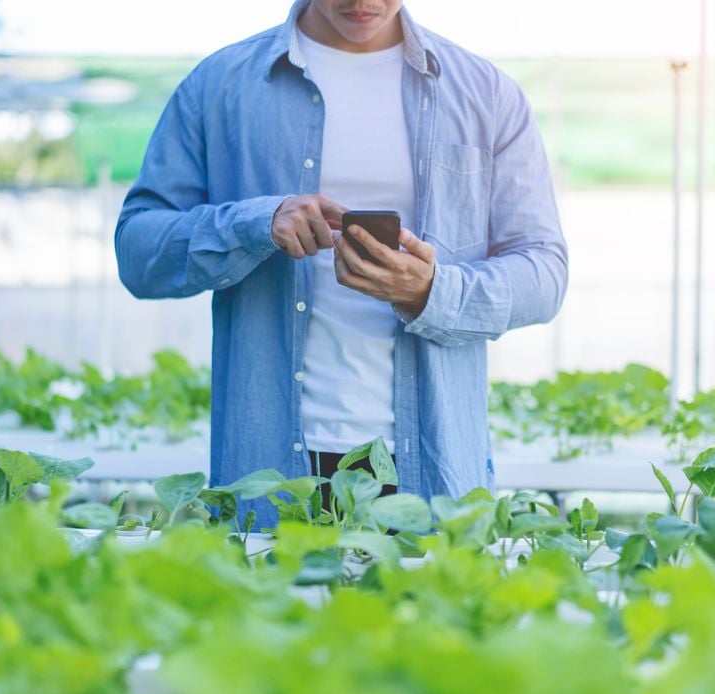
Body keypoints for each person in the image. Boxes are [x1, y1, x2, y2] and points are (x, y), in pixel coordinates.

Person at [116, 0, 568, 523]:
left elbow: (544, 271)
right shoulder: (219, 86)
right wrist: (254, 223)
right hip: (269, 472)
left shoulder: (485, 93)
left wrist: (430, 291)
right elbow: (138, 252)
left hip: (434, 474)